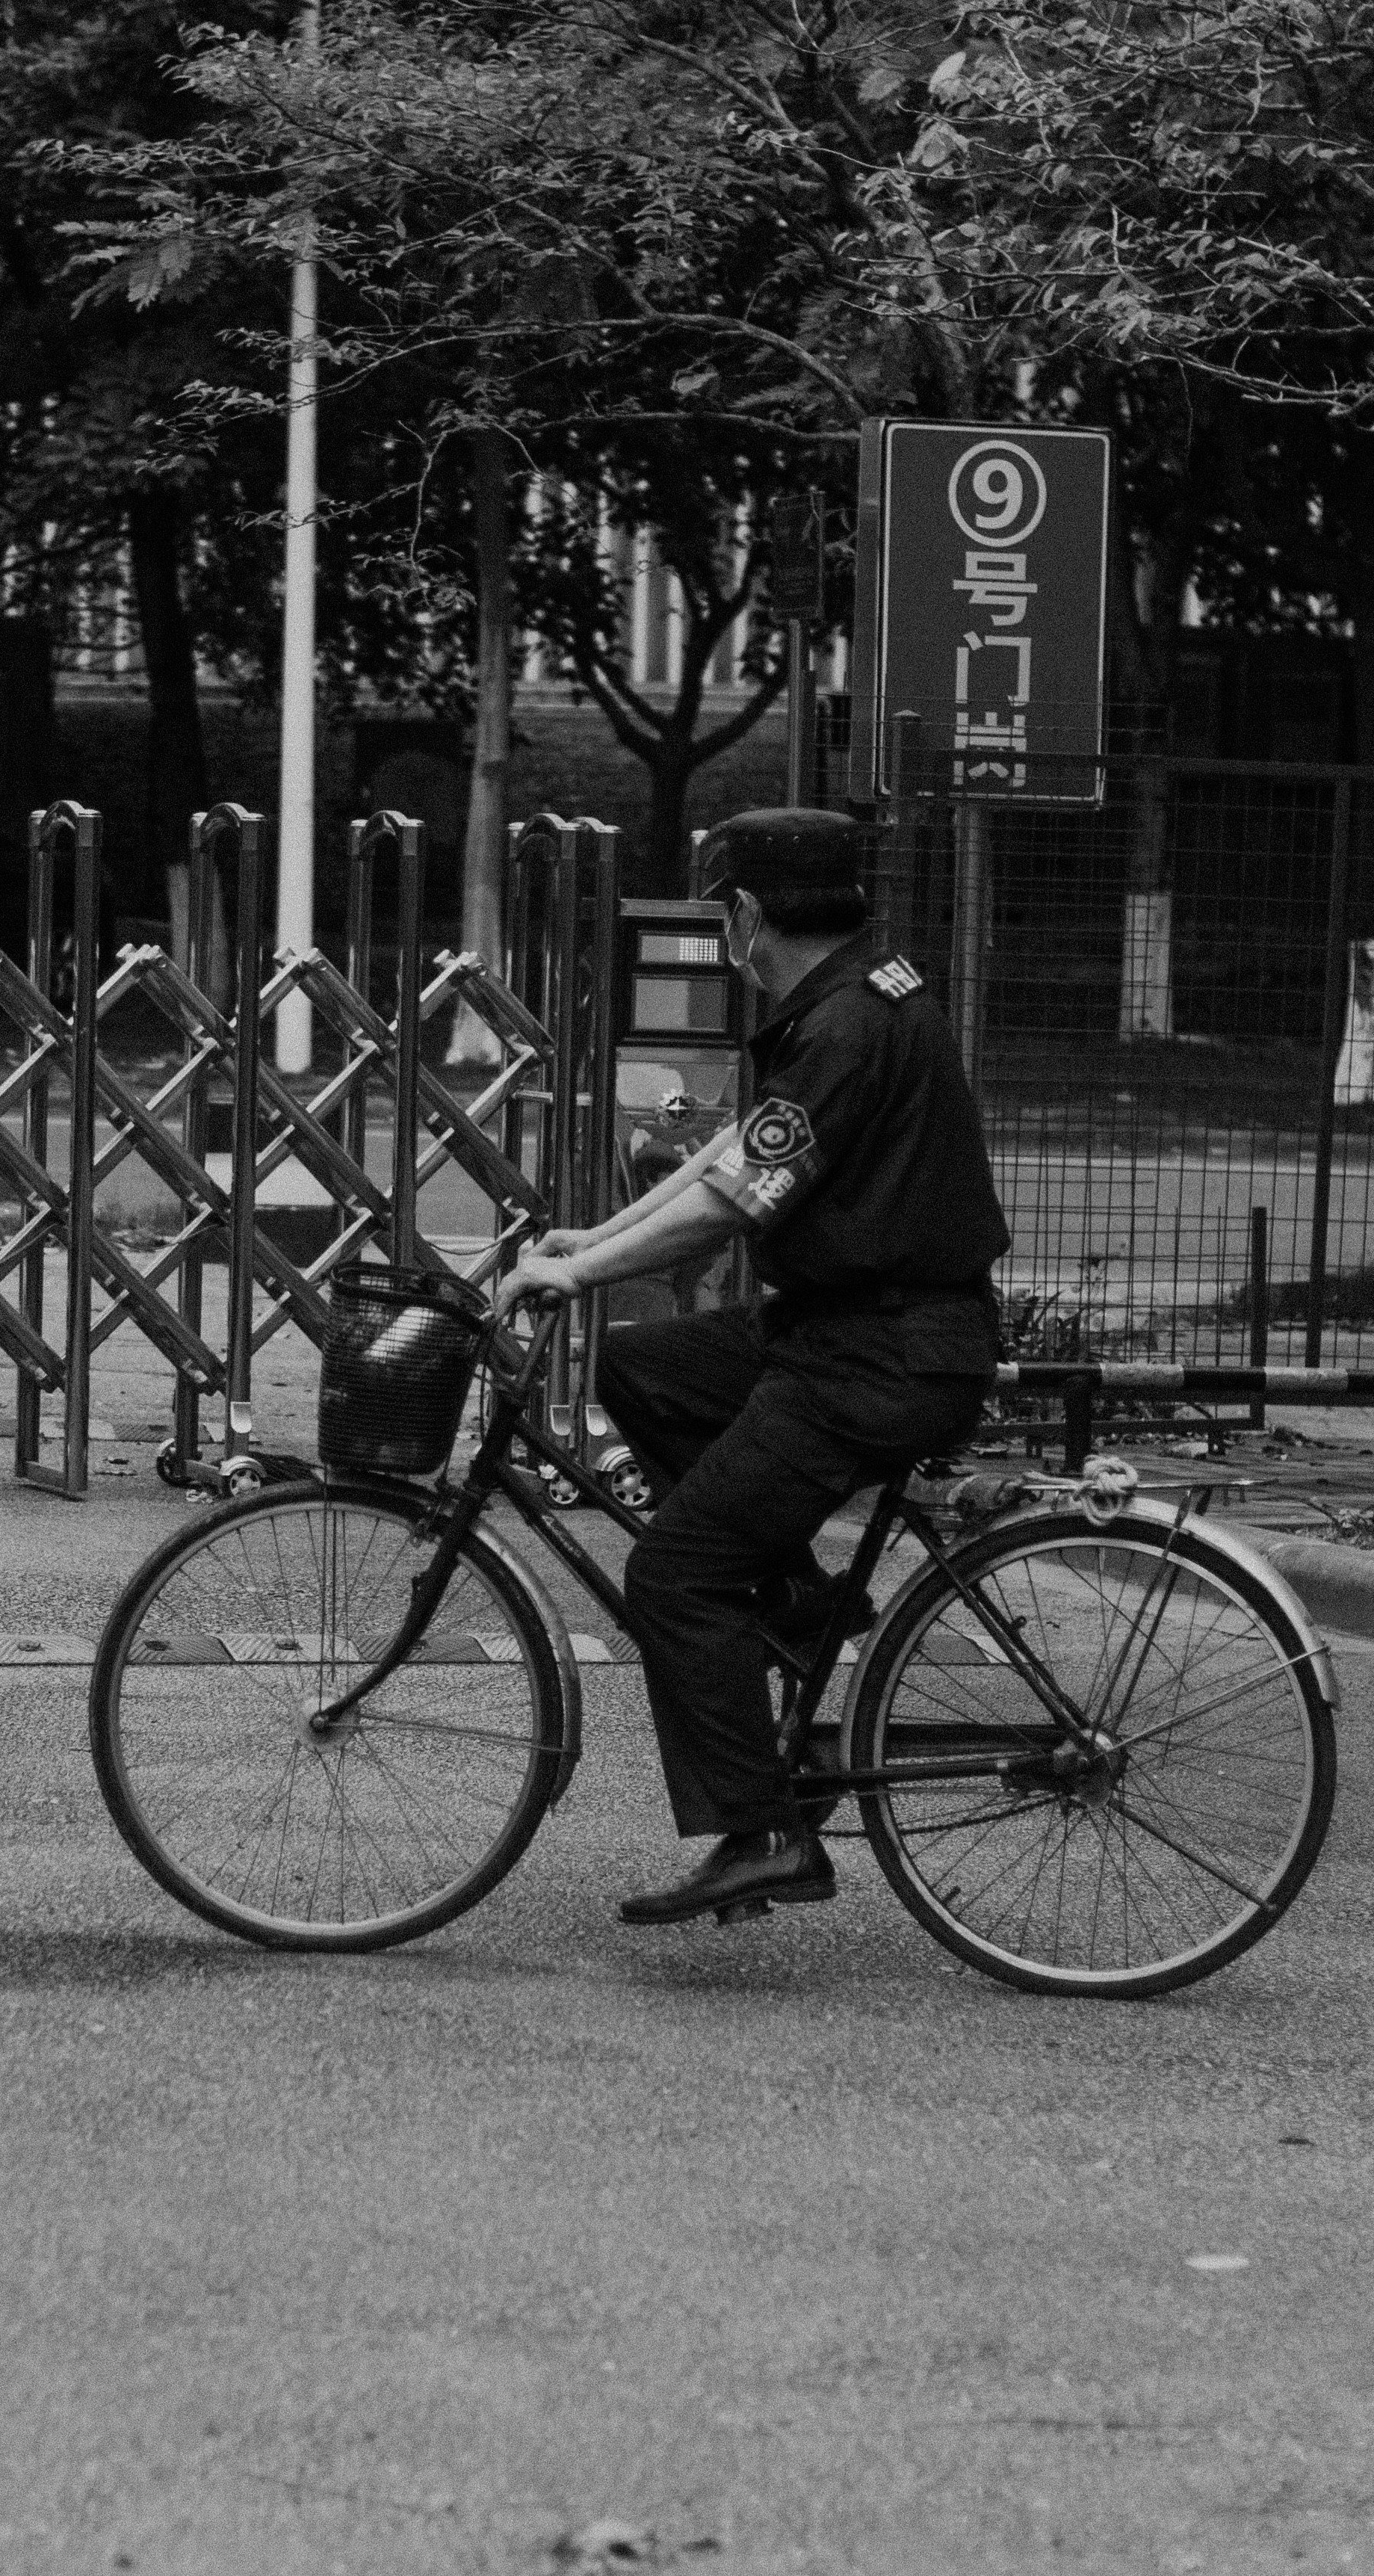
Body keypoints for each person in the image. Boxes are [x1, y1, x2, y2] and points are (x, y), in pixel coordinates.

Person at [503, 808, 1009, 1928]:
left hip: (879, 1356)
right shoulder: (850, 999)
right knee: (644, 1373)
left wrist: (578, 1280)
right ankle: (790, 1604)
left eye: (720, 910)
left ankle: (765, 1833)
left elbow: (736, 1201)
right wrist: (590, 1243)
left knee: (674, 1578)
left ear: (742, 913)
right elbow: (737, 1155)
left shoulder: (844, 1031)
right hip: (846, 1331)